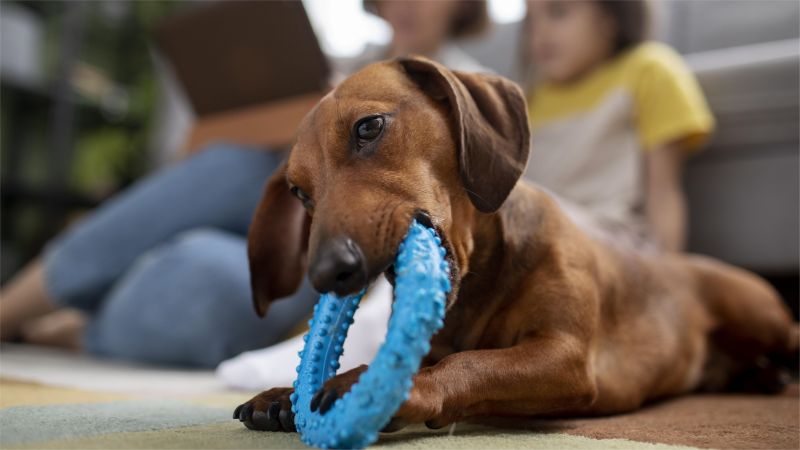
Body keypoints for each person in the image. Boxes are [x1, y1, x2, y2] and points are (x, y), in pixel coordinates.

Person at [0, 0, 490, 369]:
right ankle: (11, 309)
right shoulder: (344, 66)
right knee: (230, 162)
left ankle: (79, 330)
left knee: (204, 271)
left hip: (329, 251)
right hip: (270, 201)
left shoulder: (471, 88)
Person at [522, 0, 714, 252]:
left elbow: (664, 193)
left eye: (558, 12)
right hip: (540, 235)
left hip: (615, 243)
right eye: (531, 21)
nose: (541, 32)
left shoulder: (647, 71)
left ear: (610, 17)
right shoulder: (530, 98)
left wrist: (666, 273)